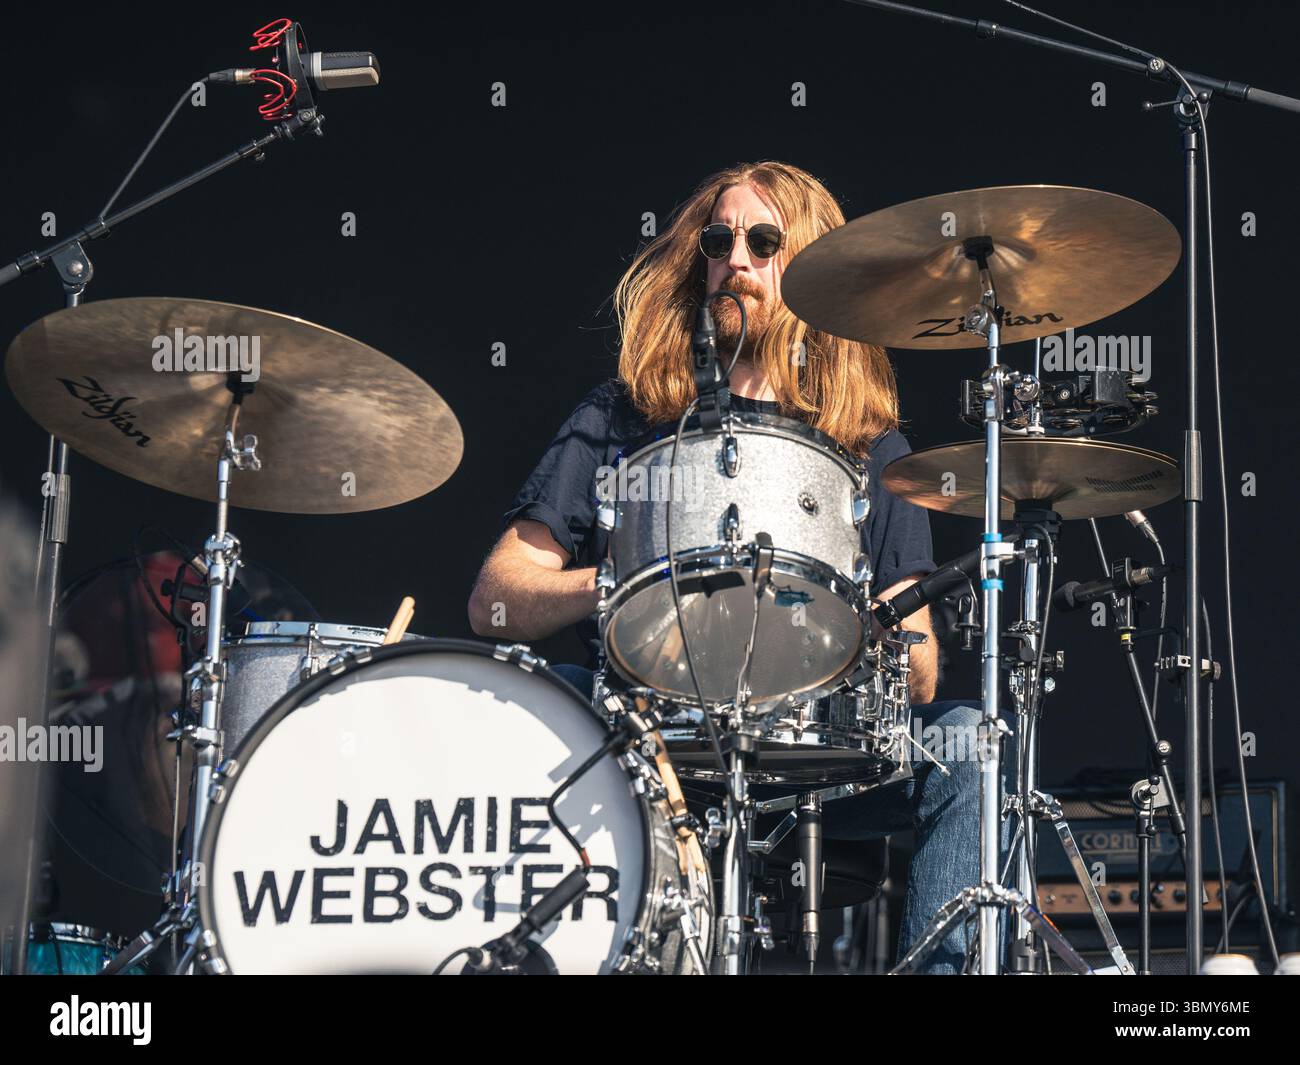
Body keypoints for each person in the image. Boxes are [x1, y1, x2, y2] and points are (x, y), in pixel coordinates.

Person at [469, 160, 1007, 973]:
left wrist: (845, 617)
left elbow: (923, 673)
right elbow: (495, 601)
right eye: (719, 241)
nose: (737, 261)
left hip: (814, 754)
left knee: (971, 746)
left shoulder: (869, 444)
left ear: (814, 266)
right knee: (506, 707)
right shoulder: (622, 416)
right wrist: (639, 583)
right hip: (645, 738)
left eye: (763, 241)